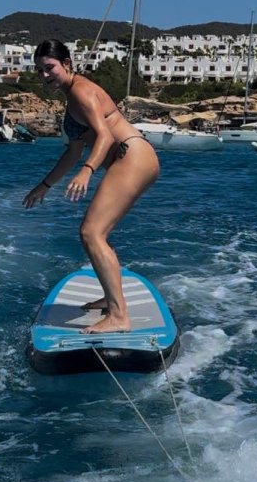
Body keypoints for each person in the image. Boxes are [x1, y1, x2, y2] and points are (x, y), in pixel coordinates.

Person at [23, 39, 159, 333]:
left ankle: (119, 316)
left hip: (132, 156)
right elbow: (72, 152)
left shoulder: (81, 92)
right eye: (39, 70)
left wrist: (87, 171)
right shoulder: (71, 97)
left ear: (67, 64)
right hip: (132, 157)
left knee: (91, 232)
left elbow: (105, 136)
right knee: (99, 232)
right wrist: (45, 185)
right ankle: (112, 300)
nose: (45, 75)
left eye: (50, 68)